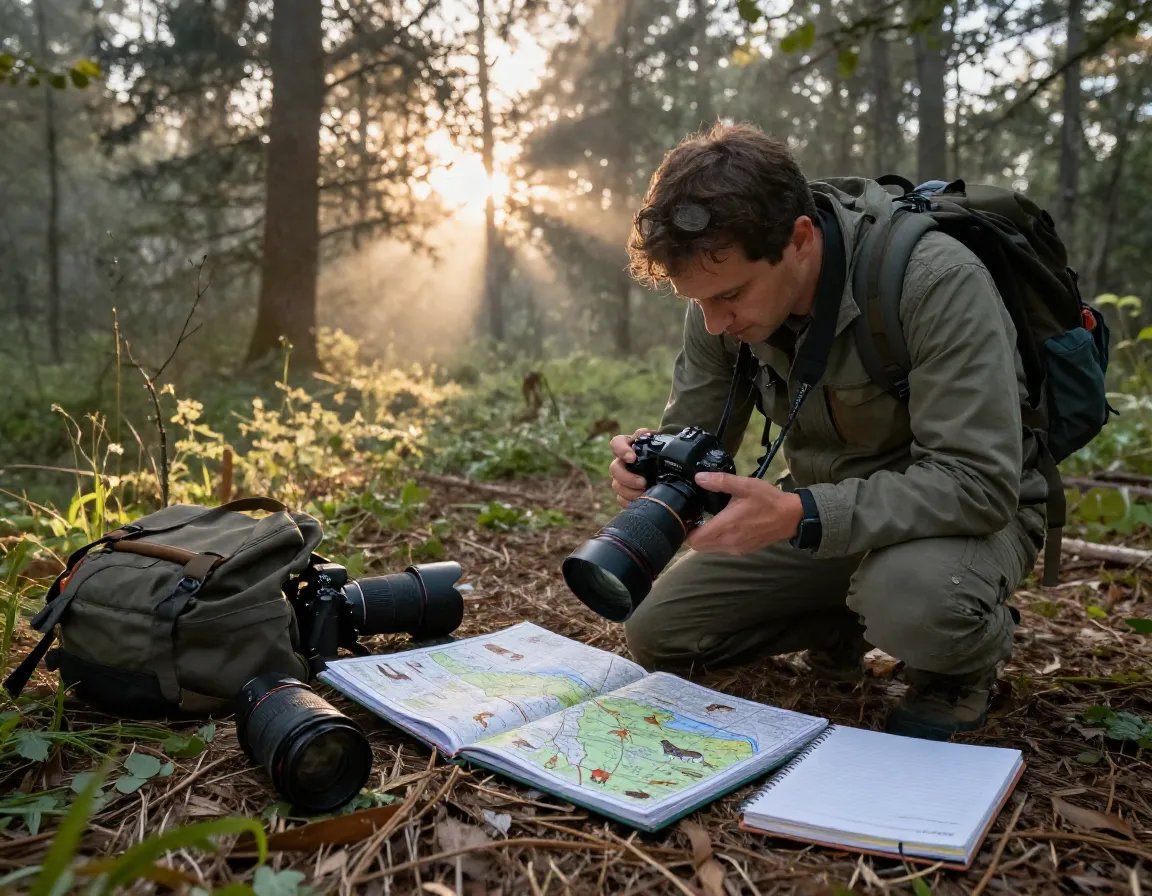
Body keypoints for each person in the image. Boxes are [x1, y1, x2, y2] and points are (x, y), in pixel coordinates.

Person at [611, 122, 1048, 741]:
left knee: (916, 602)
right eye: (697, 301)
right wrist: (653, 473)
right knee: (660, 631)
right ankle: (846, 622)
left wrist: (797, 514)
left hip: (962, 518)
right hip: (823, 510)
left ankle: (958, 663)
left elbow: (977, 482)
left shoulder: (934, 280)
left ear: (799, 239)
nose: (713, 322)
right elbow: (697, 438)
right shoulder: (718, 301)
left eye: (730, 295)